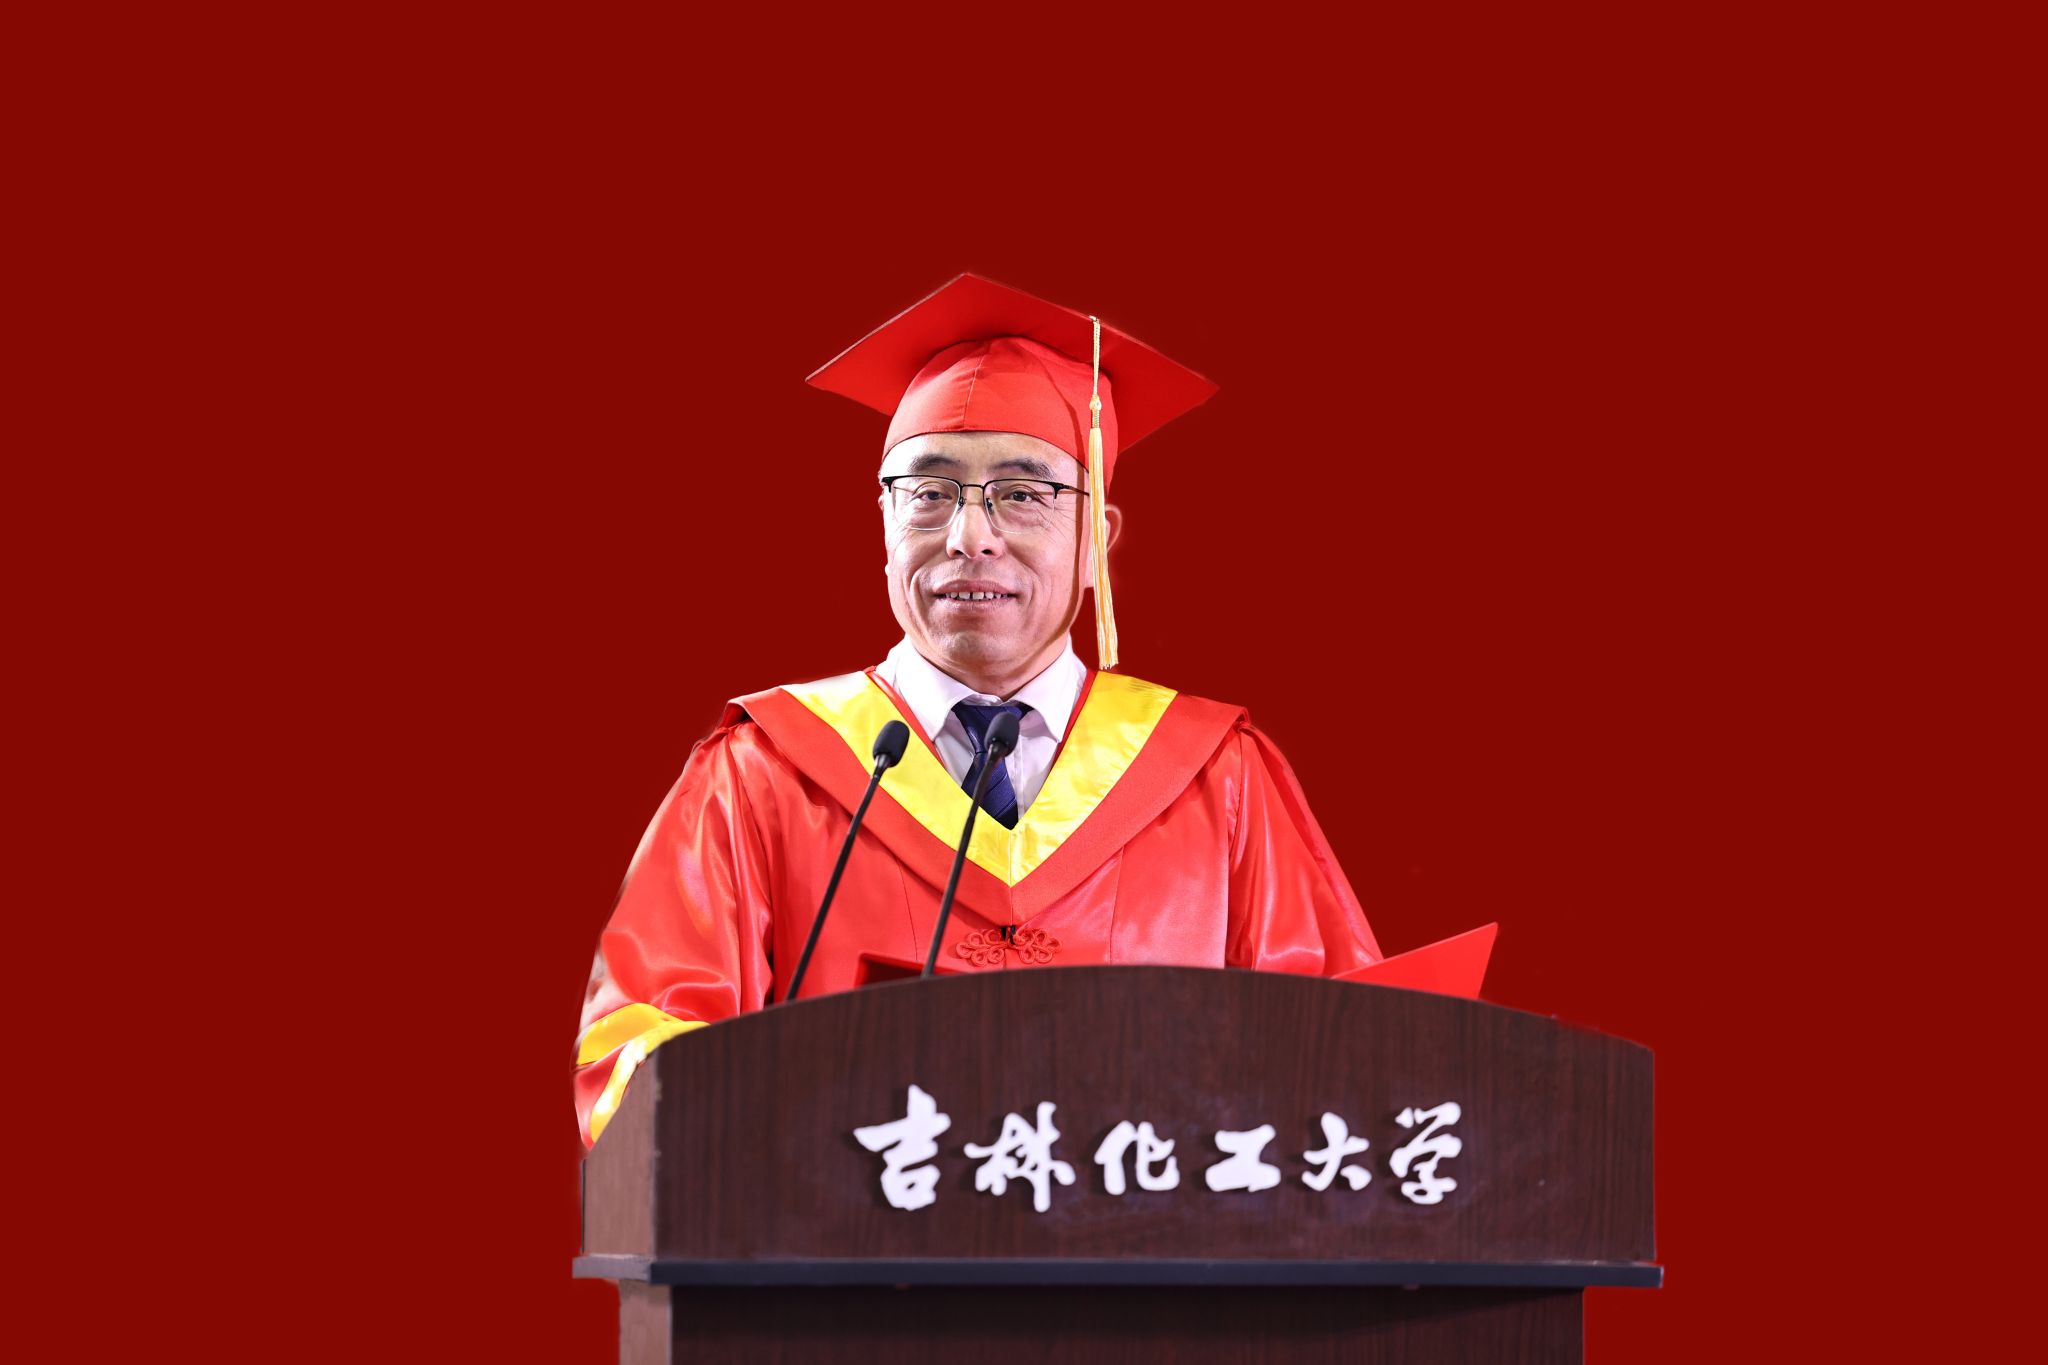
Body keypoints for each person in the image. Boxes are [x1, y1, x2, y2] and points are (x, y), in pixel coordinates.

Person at [574, 275, 1381, 1146]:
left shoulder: (1220, 775)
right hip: (848, 1229)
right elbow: (638, 1046)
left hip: (1152, 1234)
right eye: (929, 493)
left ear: (1097, 542)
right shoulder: (760, 772)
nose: (969, 537)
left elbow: (1348, 1052)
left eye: (1022, 494)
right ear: (884, 525)